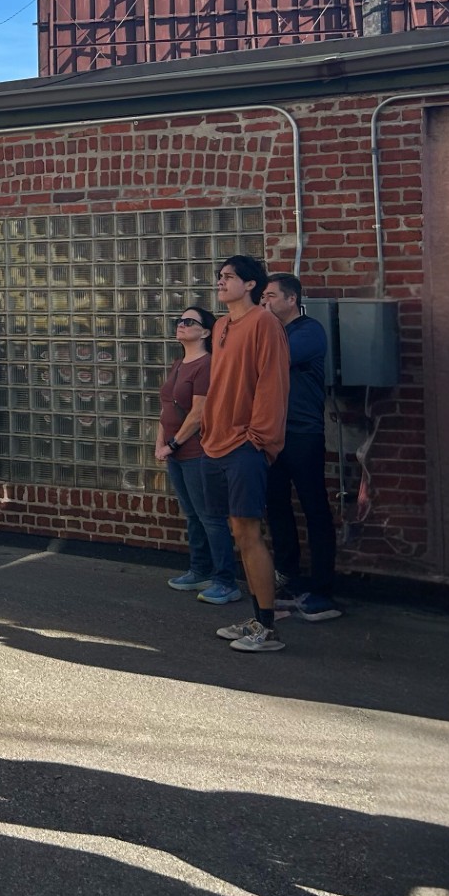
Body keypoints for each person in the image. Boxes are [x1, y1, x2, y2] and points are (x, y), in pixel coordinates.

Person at [199, 255, 291, 653]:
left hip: (245, 445)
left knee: (250, 533)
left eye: (229, 277)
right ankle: (255, 617)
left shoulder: (264, 323)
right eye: (219, 276)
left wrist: (260, 437)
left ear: (251, 284)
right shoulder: (220, 325)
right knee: (237, 532)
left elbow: (273, 381)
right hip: (216, 441)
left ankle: (267, 628)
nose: (221, 282)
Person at [259, 274, 341, 622]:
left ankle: (323, 589)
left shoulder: (308, 331)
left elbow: (269, 361)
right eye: (262, 296)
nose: (265, 302)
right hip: (271, 433)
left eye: (272, 296)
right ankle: (287, 574)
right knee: (276, 505)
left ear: (291, 300)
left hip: (303, 433)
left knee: (314, 508)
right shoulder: (269, 333)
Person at [157, 303, 242, 604]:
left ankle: (225, 580)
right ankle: (200, 570)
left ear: (206, 331)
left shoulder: (206, 365)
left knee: (210, 516)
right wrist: (160, 443)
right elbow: (166, 405)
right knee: (192, 514)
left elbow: (198, 412)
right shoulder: (178, 363)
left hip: (195, 451)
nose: (182, 325)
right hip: (174, 451)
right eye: (180, 320)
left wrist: (175, 443)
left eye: (190, 322)